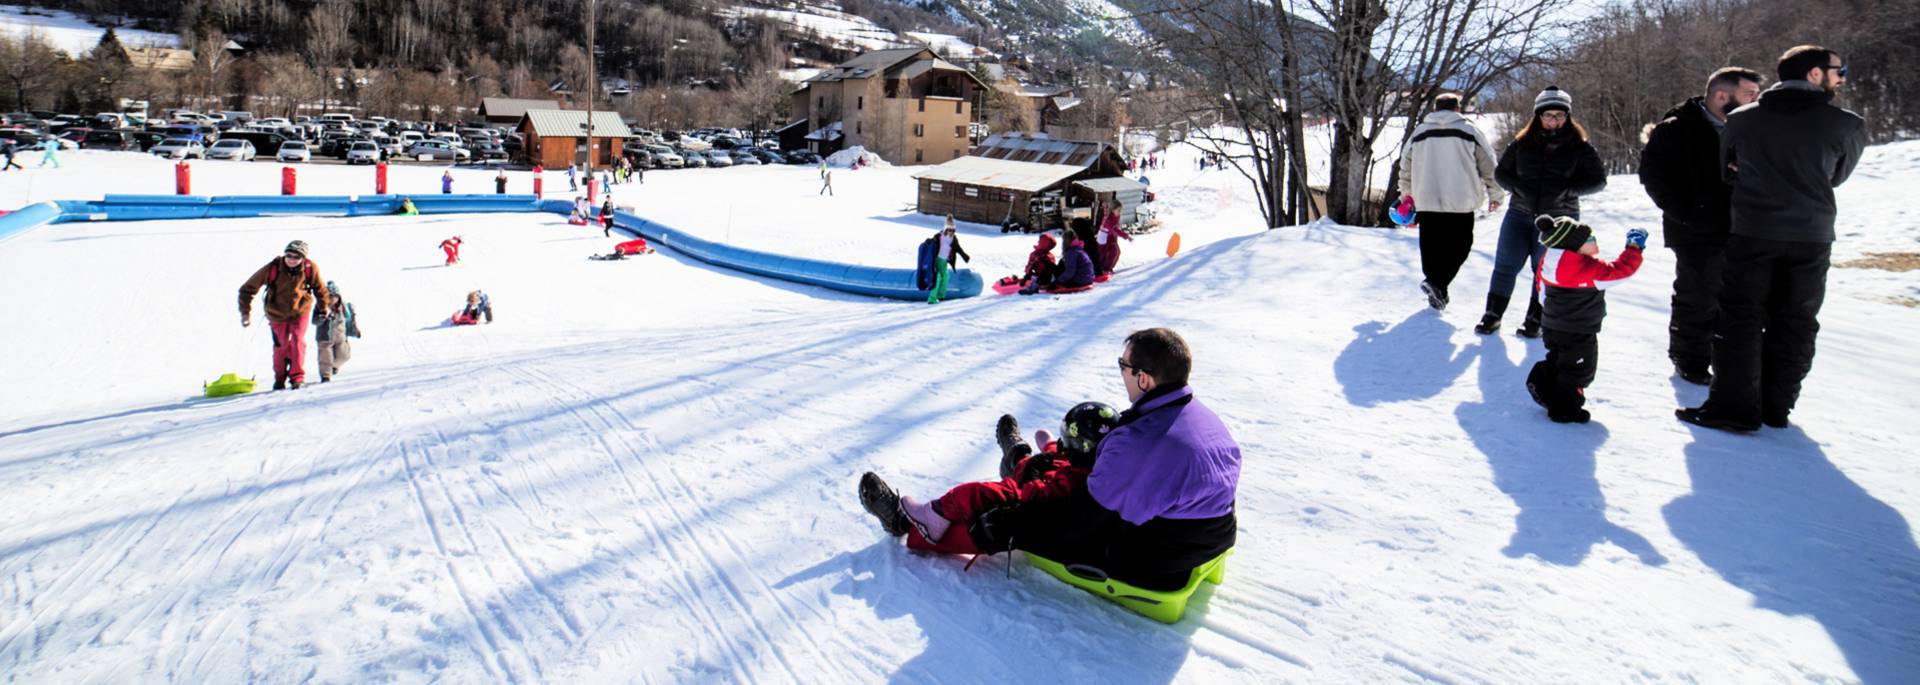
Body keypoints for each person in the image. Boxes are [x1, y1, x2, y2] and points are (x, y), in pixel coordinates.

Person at [861, 328, 1240, 591]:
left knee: (1016, 521)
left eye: (1123, 366)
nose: (1121, 373)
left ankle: (909, 526)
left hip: (1157, 556)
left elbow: (1081, 519)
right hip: (1214, 534)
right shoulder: (1200, 417)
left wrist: (1012, 522)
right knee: (1062, 476)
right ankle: (1022, 462)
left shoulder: (1141, 441)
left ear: (1144, 379)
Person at [1679, 45, 1867, 432]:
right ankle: (1776, 407)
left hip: (1753, 230)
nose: (1843, 77)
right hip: (1812, 235)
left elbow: (1727, 173)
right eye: (1838, 70)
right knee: (1796, 320)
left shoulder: (1742, 119)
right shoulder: (1847, 124)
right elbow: (1836, 177)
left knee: (1740, 319)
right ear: (1815, 74)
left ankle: (1733, 410)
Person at [858, 403, 1120, 556]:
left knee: (986, 506)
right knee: (1048, 462)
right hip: (1072, 492)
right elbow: (1069, 469)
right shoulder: (1106, 458)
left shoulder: (1071, 482)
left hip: (1047, 518)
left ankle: (901, 521)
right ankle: (1018, 456)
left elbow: (1038, 494)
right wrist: (1054, 452)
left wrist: (1032, 477)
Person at [1641, 67, 1765, 385]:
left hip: (1745, 225)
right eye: (1750, 95)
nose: (1757, 101)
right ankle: (1689, 357)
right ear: (1722, 96)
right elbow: (1653, 177)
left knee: (1740, 297)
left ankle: (1729, 356)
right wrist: (1687, 213)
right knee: (1699, 293)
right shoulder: (1675, 128)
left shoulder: (1753, 127)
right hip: (1694, 228)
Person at [1476, 86, 1608, 338]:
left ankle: (1535, 319)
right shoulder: (1522, 143)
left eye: (1559, 115)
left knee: (1544, 270)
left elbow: (1598, 181)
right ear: (1538, 116)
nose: (1553, 120)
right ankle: (1492, 315)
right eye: (1548, 115)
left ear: (1567, 117)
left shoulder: (1580, 146)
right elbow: (1501, 173)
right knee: (1506, 265)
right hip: (1519, 214)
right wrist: (1515, 186)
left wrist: (1569, 190)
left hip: (1559, 221)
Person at [1524, 217, 1647, 423]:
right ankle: (1564, 409)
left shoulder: (1550, 260)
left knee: (1559, 357)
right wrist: (1634, 248)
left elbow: (1541, 288)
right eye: (1589, 238)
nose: (1595, 240)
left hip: (1552, 325)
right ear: (1574, 246)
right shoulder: (1588, 269)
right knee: (1578, 370)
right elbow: (1621, 271)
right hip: (1578, 330)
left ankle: (1546, 384)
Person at [1396, 92, 1505, 311]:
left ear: (1435, 109)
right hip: (1461, 200)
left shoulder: (1419, 132)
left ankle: (1437, 289)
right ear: (1457, 109)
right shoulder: (1469, 131)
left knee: (1431, 248)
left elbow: (1405, 166)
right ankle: (1438, 284)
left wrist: (1406, 195)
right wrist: (1496, 194)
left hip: (1426, 199)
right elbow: (1489, 164)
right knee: (1461, 246)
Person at [238, 240, 327, 390]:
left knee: (297, 342)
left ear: (303, 258)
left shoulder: (310, 268)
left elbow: (320, 290)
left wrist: (323, 309)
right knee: (281, 346)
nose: (291, 259)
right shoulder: (272, 268)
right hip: (276, 313)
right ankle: (279, 378)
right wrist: (245, 313)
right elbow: (247, 289)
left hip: (300, 311)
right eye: (289, 255)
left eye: (296, 257)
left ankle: (297, 377)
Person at [311, 280, 361, 383]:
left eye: (334, 296)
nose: (332, 299)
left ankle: (334, 366)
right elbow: (314, 321)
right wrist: (321, 318)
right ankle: (326, 376)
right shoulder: (320, 306)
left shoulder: (343, 307)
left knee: (344, 355)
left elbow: (349, 320)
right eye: (329, 296)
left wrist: (355, 331)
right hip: (324, 338)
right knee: (325, 358)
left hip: (340, 337)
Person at [925, 219, 971, 304]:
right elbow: (932, 242)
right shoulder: (939, 236)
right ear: (945, 229)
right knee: (937, 277)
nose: (951, 232)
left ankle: (940, 296)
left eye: (953, 230)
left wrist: (964, 255)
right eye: (949, 230)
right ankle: (932, 299)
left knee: (945, 277)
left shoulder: (953, 238)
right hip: (936, 260)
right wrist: (928, 241)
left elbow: (958, 248)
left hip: (944, 261)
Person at [1093, 200, 1133, 277]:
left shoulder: (1115, 215)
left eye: (1121, 210)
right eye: (1118, 210)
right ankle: (1104, 269)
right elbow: (1115, 230)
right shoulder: (1110, 219)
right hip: (1104, 237)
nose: (1120, 212)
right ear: (1113, 209)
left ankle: (1107, 268)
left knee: (1116, 252)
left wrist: (1105, 206)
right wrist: (1126, 236)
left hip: (1110, 235)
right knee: (1107, 253)